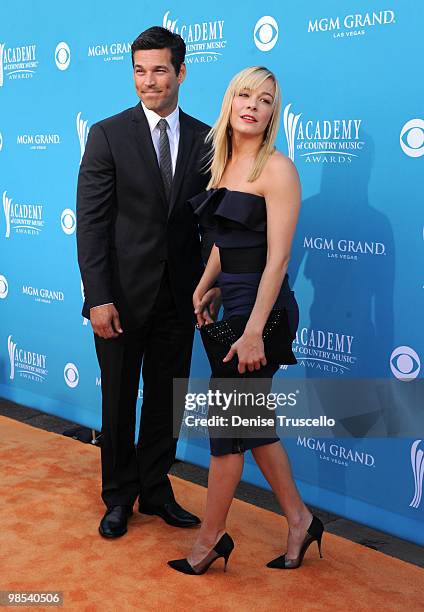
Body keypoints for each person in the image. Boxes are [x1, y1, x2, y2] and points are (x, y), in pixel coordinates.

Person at [168, 66, 324, 574]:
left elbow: (278, 260)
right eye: (243, 94)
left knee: (227, 431)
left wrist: (255, 329)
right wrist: (204, 282)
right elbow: (222, 240)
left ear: (273, 111)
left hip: (263, 313)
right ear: (230, 101)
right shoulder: (223, 163)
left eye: (263, 99)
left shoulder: (278, 170)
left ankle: (209, 542)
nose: (251, 105)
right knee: (253, 427)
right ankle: (300, 520)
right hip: (229, 306)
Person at [76, 26, 219, 538]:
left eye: (159, 70)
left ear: (181, 72)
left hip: (180, 298)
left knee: (165, 398)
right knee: (117, 399)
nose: (149, 81)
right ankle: (118, 496)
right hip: (120, 298)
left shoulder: (207, 138)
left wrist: (209, 284)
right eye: (140, 70)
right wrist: (99, 298)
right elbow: (91, 224)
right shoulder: (108, 134)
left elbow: (211, 223)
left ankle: (157, 489)